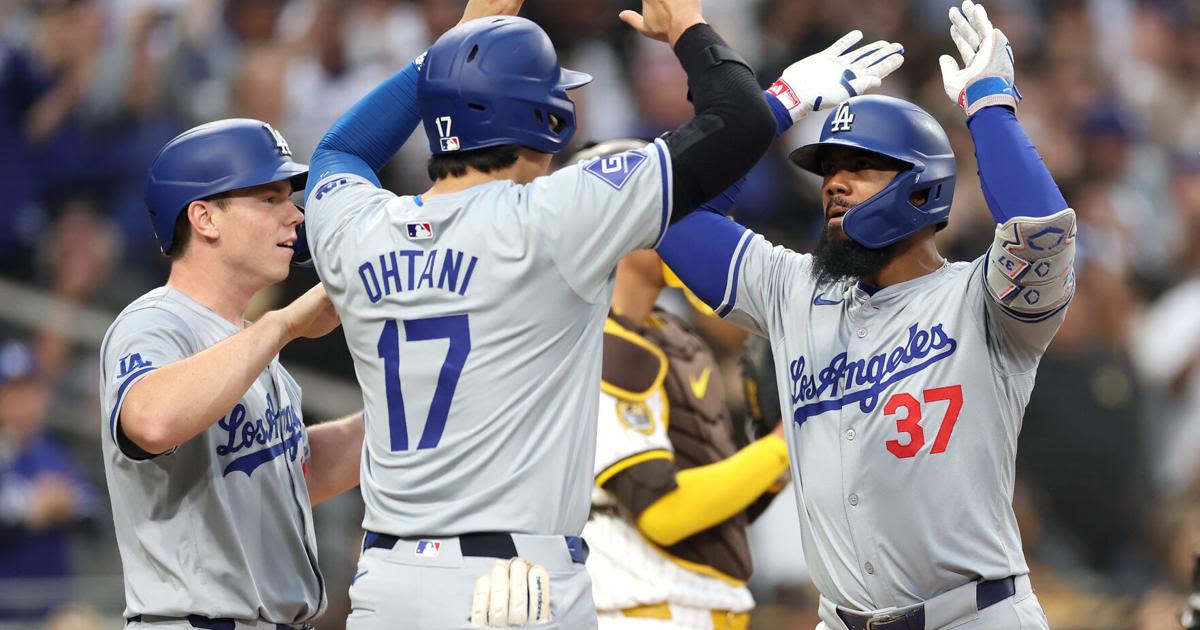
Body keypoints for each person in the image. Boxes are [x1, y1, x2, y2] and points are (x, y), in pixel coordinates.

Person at [301, 0, 902, 625]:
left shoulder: (361, 225)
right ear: (546, 118)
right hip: (513, 582)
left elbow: (340, 150)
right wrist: (713, 44)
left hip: (387, 581)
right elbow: (737, 119)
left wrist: (452, 53)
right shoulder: (553, 216)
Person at [657, 2, 1073, 629]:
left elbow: (1040, 231)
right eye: (828, 168)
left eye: (859, 166)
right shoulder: (792, 288)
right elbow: (669, 214)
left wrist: (989, 104)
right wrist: (773, 108)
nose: (834, 183)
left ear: (922, 184)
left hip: (975, 616)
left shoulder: (985, 302)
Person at [100, 117, 364, 630]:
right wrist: (283, 325)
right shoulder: (155, 322)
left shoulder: (243, 340)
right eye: (270, 198)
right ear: (204, 219)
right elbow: (150, 420)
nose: (295, 214)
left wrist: (410, 409)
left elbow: (294, 475)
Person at [574, 138, 791, 630]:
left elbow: (714, 517)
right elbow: (664, 513)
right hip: (636, 613)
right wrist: (782, 448)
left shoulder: (674, 338)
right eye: (681, 207)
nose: (701, 224)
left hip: (698, 609)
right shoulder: (595, 345)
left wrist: (773, 468)